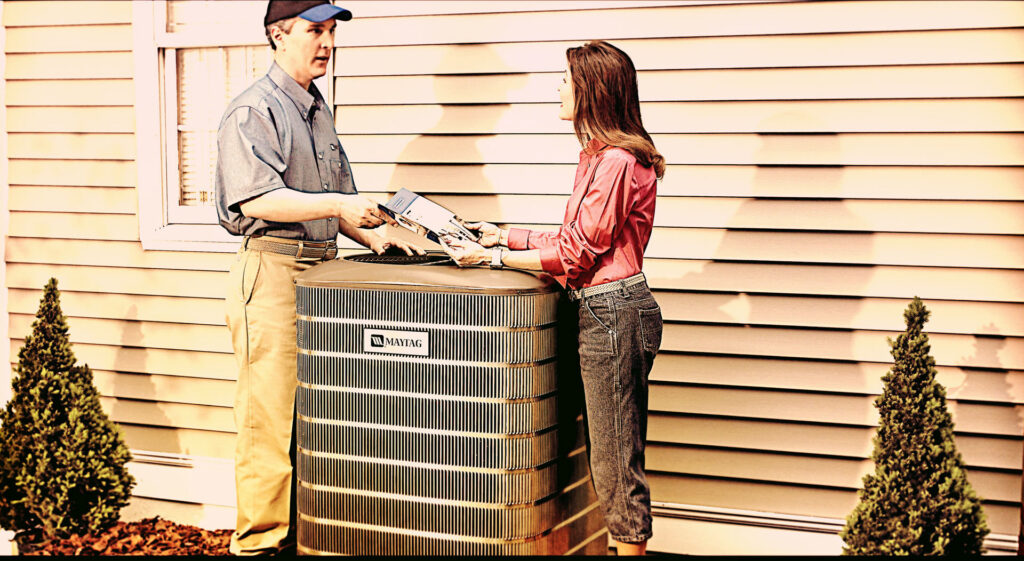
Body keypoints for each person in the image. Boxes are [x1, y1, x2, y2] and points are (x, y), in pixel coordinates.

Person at [442, 40, 665, 555]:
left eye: (566, 79)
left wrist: (492, 261)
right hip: (597, 311)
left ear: (592, 89)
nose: (559, 88)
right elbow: (574, 238)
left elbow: (577, 254)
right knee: (598, 453)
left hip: (612, 313)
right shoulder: (596, 158)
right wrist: (504, 235)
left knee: (614, 460)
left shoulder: (616, 161)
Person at [214, 0, 421, 555]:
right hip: (275, 272)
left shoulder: (316, 110)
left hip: (323, 272)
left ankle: (311, 540)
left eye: (331, 32)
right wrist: (340, 205)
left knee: (324, 420)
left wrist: (378, 238)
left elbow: (334, 201)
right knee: (270, 425)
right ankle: (258, 546)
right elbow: (258, 196)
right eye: (314, 31)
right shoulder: (253, 111)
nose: (327, 43)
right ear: (278, 36)